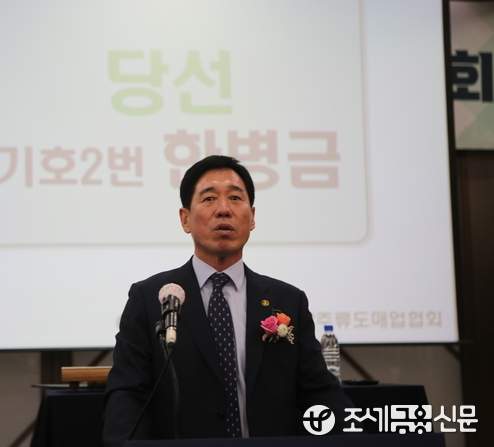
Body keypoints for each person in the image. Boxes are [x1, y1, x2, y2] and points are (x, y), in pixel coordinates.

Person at [103, 155, 354, 446]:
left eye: (235, 198)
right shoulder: (150, 299)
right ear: (185, 219)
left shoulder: (288, 301)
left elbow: (319, 392)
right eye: (209, 198)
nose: (223, 209)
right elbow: (128, 393)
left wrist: (352, 437)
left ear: (252, 217)